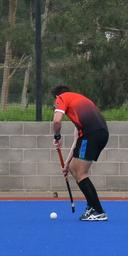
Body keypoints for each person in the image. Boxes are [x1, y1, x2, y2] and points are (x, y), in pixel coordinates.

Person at [50, 85, 109, 221]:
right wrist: (66, 164)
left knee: (81, 173)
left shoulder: (61, 98)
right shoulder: (79, 100)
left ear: (56, 97)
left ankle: (99, 211)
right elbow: (78, 140)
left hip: (91, 135)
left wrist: (57, 136)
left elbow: (57, 121)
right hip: (100, 134)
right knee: (73, 168)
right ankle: (91, 206)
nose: (55, 105)